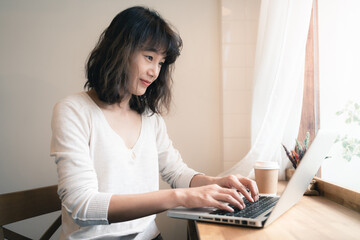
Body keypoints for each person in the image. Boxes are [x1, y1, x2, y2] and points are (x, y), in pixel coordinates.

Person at [50, 6, 259, 240]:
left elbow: (176, 172)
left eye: (161, 63)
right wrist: (180, 197)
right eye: (149, 57)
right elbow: (83, 206)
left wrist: (215, 183)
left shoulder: (150, 117)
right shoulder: (73, 111)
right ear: (119, 51)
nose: (154, 72)